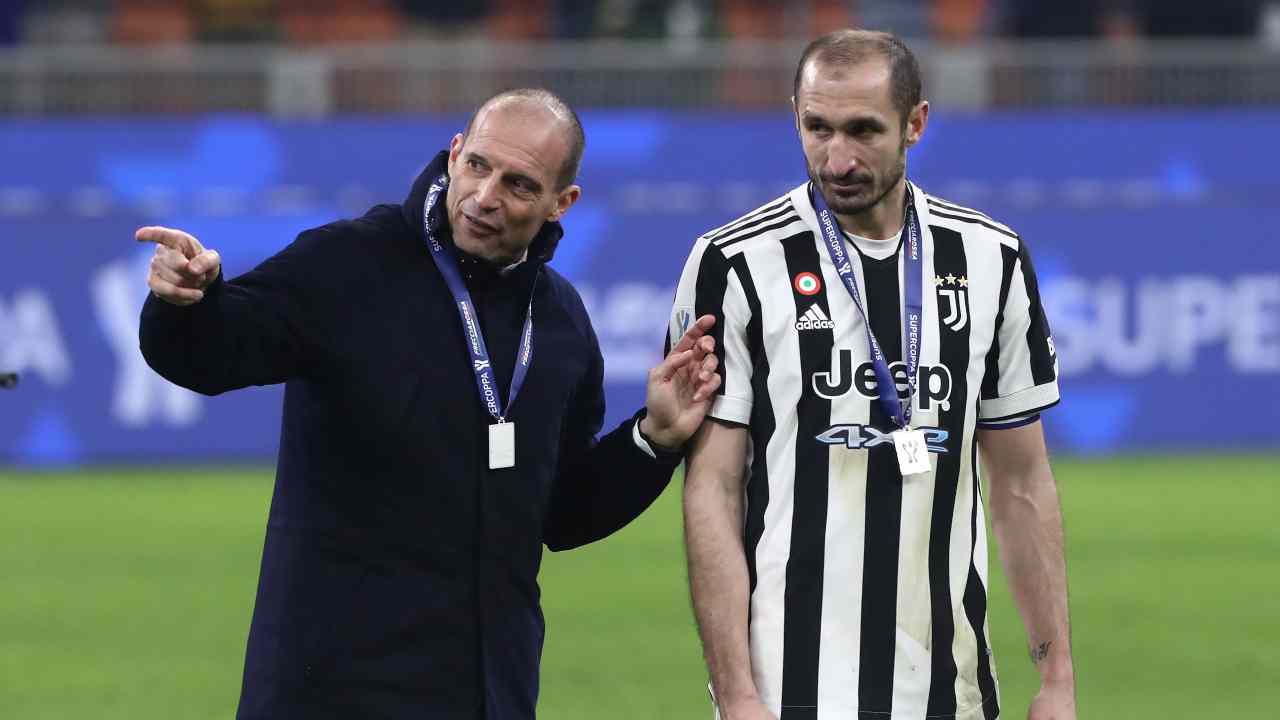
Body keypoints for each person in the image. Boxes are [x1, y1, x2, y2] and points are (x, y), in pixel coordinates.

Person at [137, 87, 721, 720]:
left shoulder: (560, 324)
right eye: (477, 166)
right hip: (331, 689)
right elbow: (211, 353)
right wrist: (184, 302)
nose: (486, 197)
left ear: (562, 203)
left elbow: (563, 514)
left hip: (486, 692)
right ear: (453, 154)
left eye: (520, 185)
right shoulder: (348, 263)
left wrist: (653, 440)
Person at [673, 30, 1076, 720]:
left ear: (915, 123)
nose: (838, 158)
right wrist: (737, 694)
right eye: (817, 128)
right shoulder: (731, 263)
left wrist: (1057, 679)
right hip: (786, 689)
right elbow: (712, 489)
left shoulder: (991, 259)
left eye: (864, 131)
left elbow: (1020, 483)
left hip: (949, 688)